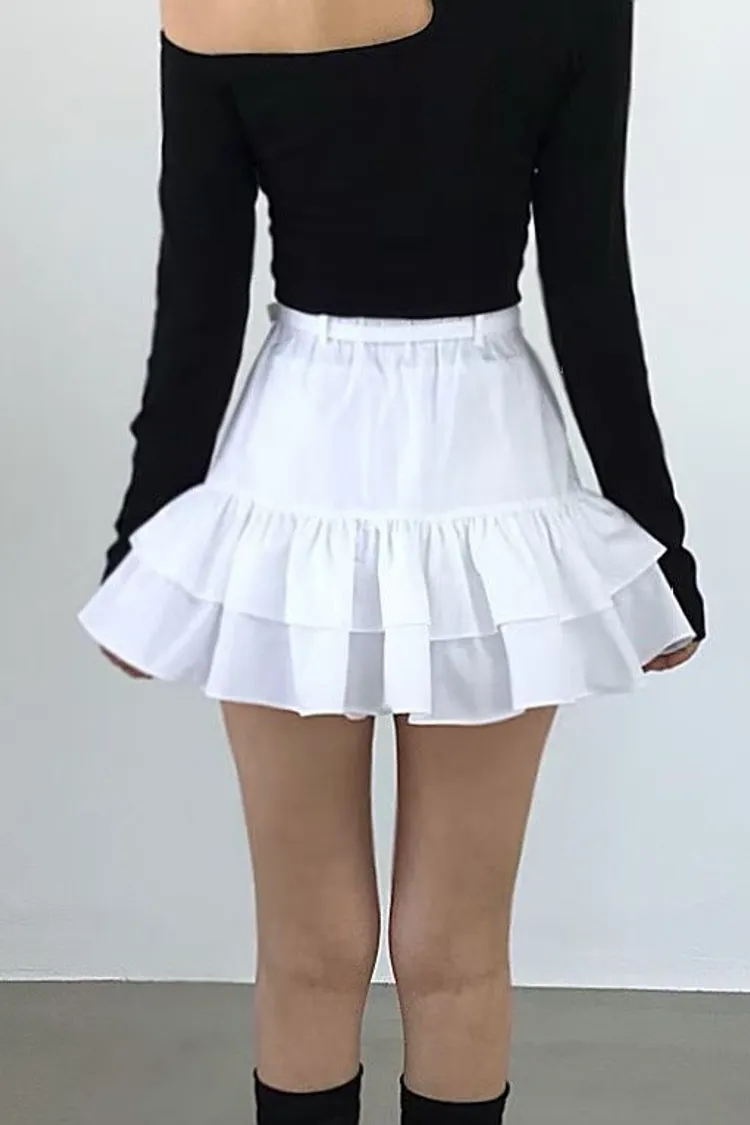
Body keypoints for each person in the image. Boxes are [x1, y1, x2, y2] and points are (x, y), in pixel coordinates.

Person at [78, 1, 705, 1121]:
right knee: (455, 950)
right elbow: (588, 276)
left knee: (308, 948)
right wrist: (658, 538)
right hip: (488, 470)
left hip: (299, 468)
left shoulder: (222, 7)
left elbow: (201, 289)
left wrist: (146, 543)